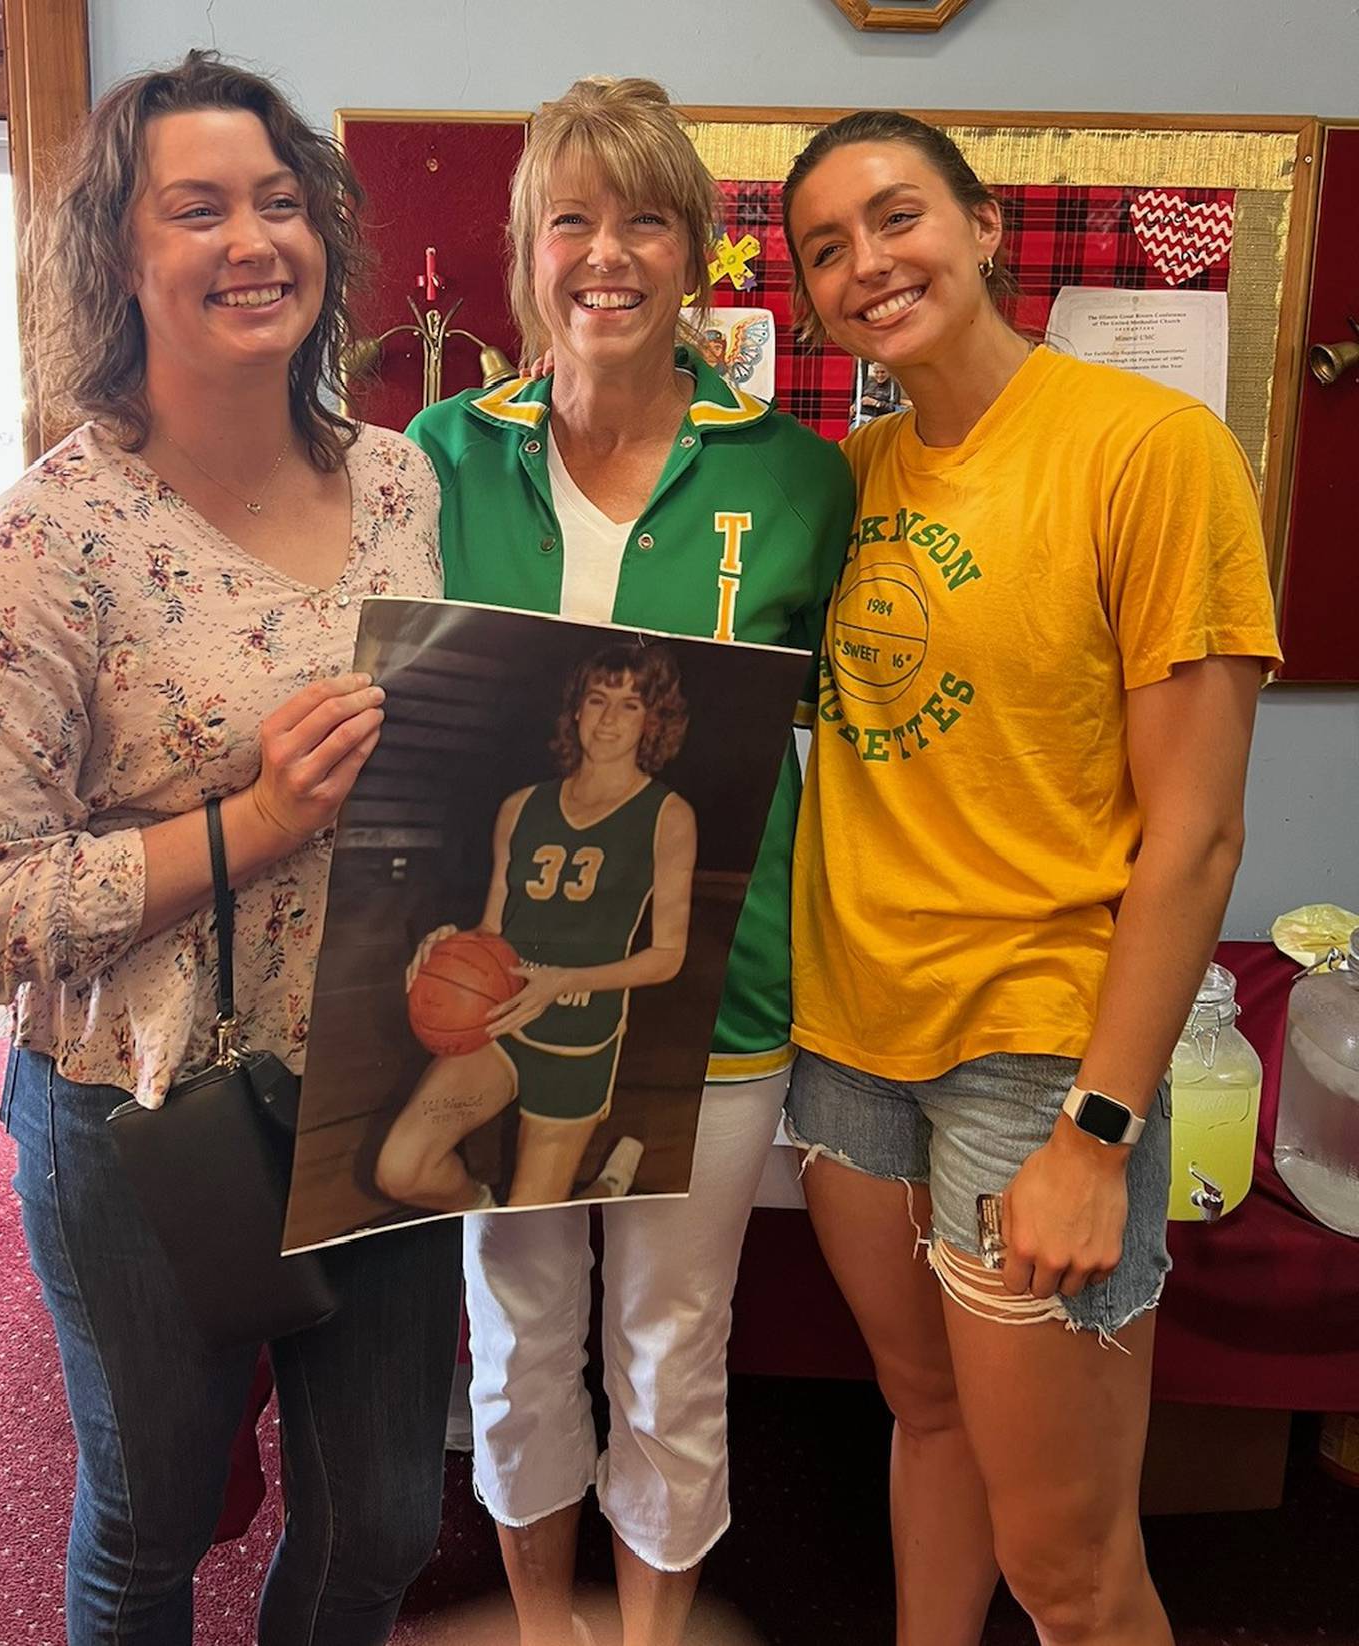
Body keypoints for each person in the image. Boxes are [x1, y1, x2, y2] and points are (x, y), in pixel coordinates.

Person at [0, 51, 461, 1646]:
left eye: (281, 204)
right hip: (150, 1110)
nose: (254, 241)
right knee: (156, 1517)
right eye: (199, 207)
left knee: (382, 1517)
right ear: (120, 255)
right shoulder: (48, 539)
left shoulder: (396, 477)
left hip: (379, 1073)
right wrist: (257, 823)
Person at [780, 112, 1281, 1646]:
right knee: (926, 1418)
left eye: (898, 216)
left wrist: (1099, 1129)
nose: (868, 263)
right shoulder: (845, 479)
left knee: (1070, 1569)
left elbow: (1195, 835)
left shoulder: (1150, 453)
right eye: (825, 247)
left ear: (986, 226)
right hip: (852, 1045)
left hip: (1038, 1064)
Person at [405, 77, 853, 1646]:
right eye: (573, 218)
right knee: (518, 1330)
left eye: (645, 217)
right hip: (498, 984)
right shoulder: (439, 455)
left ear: (698, 251)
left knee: (674, 1339)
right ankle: (542, 1625)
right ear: (531, 248)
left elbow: (859, 745)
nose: (609, 253)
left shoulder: (801, 477)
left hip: (712, 997)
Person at [376, 640, 697, 1209]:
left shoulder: (668, 817)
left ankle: (601, 1183)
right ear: (576, 709)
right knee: (402, 1169)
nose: (609, 719)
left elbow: (667, 956)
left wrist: (562, 980)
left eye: (630, 705)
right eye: (598, 700)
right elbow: (493, 928)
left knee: (532, 1224)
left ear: (653, 719)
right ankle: (482, 1208)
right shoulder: (521, 806)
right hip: (499, 1019)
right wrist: (451, 944)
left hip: (579, 1040)